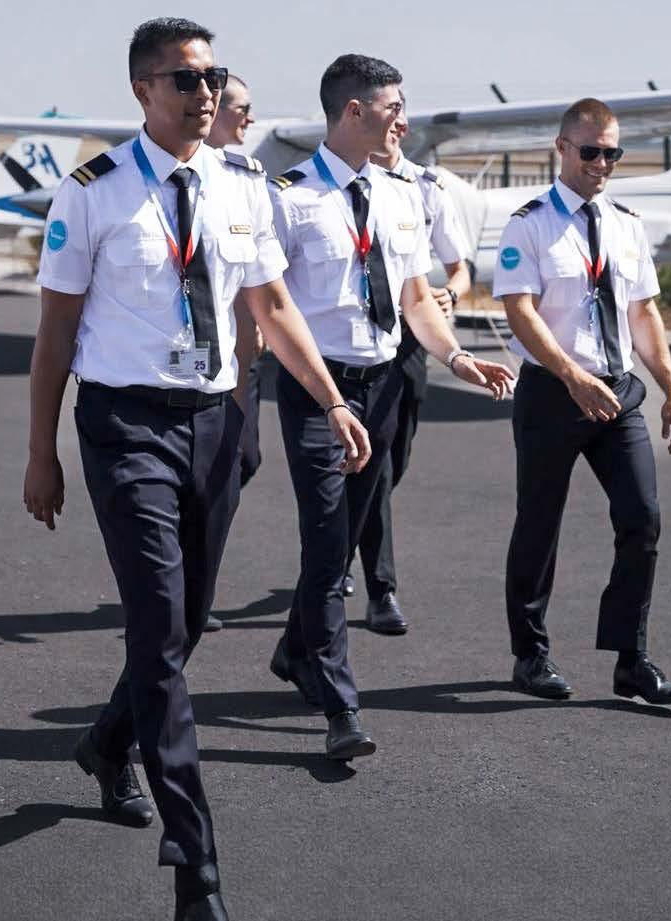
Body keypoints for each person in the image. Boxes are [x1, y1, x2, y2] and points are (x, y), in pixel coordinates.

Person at [22, 19, 369, 921]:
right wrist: (40, 451)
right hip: (124, 425)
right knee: (156, 624)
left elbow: (273, 304)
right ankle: (196, 863)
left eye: (212, 76)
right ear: (143, 89)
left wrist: (331, 399)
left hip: (213, 421)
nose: (204, 91)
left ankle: (106, 744)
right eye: (184, 78)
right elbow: (55, 331)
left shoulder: (241, 184)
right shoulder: (92, 193)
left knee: (180, 627)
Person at [267, 53, 514, 759]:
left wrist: (458, 358)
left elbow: (412, 299)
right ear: (355, 110)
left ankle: (293, 651)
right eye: (393, 106)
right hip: (318, 389)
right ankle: (340, 707)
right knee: (325, 543)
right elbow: (272, 309)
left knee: (345, 534)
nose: (403, 118)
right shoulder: (287, 199)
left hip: (381, 385)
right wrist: (324, 396)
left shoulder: (403, 195)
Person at [492, 97, 671, 706]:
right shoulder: (528, 224)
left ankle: (631, 660)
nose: (602, 164)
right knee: (539, 524)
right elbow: (520, 311)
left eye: (612, 153)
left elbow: (643, 313)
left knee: (642, 517)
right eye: (590, 152)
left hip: (618, 393)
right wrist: (571, 376)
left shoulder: (628, 224)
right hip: (553, 393)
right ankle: (530, 655)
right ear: (562, 149)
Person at [349, 111, 475, 636]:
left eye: (401, 121)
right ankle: (381, 590)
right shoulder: (344, 183)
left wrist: (451, 295)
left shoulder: (425, 188)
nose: (394, 128)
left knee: (394, 458)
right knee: (374, 468)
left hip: (411, 334)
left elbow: (460, 268)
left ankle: (346, 540)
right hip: (356, 336)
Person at [199, 72, 258, 634]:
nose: (250, 119)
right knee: (208, 476)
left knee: (244, 461)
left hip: (239, 362)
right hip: (184, 366)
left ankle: (191, 585)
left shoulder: (247, 183)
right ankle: (191, 594)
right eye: (241, 108)